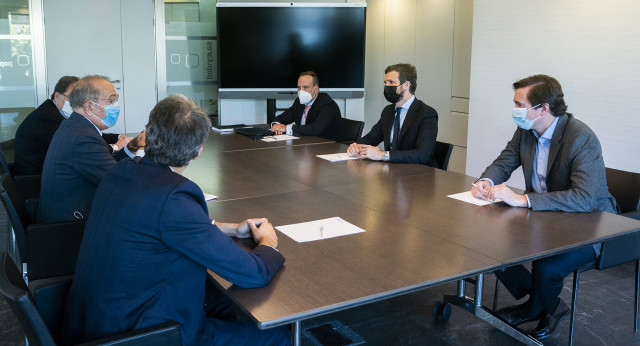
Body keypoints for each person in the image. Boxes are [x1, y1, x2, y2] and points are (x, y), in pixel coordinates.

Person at [62, 94, 289, 346]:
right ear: (197, 152)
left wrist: (230, 230)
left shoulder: (121, 171)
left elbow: (156, 226)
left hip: (96, 319)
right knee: (278, 334)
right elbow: (252, 274)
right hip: (142, 335)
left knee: (223, 302)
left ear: (147, 134)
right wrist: (268, 243)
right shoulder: (173, 196)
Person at [471, 74, 617, 339]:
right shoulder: (526, 130)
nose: (515, 110)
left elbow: (584, 198)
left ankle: (534, 308)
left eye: (520, 104)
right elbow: (505, 161)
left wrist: (523, 199)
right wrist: (485, 181)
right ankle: (548, 305)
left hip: (593, 224)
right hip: (546, 217)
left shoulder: (581, 137)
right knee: (488, 246)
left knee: (548, 268)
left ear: (543, 109)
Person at [36, 75, 144, 223]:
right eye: (111, 100)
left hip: (66, 212)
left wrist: (132, 147)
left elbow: (106, 165)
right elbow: (123, 182)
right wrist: (142, 150)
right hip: (69, 227)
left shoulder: (75, 126)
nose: (116, 105)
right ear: (89, 107)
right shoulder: (82, 137)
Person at [12, 76, 131, 176]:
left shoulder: (71, 122)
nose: (76, 100)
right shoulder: (46, 118)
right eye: (111, 101)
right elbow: (116, 177)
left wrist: (120, 140)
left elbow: (94, 137)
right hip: (34, 178)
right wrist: (116, 147)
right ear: (57, 96)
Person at [347, 63, 438, 166]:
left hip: (419, 174)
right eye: (385, 82)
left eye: (391, 82)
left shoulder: (426, 113)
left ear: (406, 85)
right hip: (392, 170)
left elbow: (422, 154)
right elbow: (372, 137)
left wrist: (382, 155)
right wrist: (356, 146)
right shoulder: (388, 111)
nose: (386, 86)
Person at [270, 71, 342, 141]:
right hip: (304, 144)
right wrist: (276, 126)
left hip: (328, 147)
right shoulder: (299, 101)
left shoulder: (328, 105)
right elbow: (282, 118)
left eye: (305, 87)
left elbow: (315, 129)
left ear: (316, 89)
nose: (301, 91)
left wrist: (286, 128)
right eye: (299, 87)